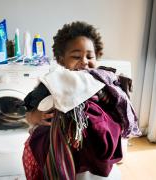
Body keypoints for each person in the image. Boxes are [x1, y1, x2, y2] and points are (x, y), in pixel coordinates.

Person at [23, 21, 122, 180]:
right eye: (76, 56)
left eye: (90, 56)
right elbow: (28, 113)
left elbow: (118, 111)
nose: (84, 61)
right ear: (62, 60)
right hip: (60, 148)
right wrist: (37, 116)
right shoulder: (53, 82)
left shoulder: (102, 82)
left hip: (96, 151)